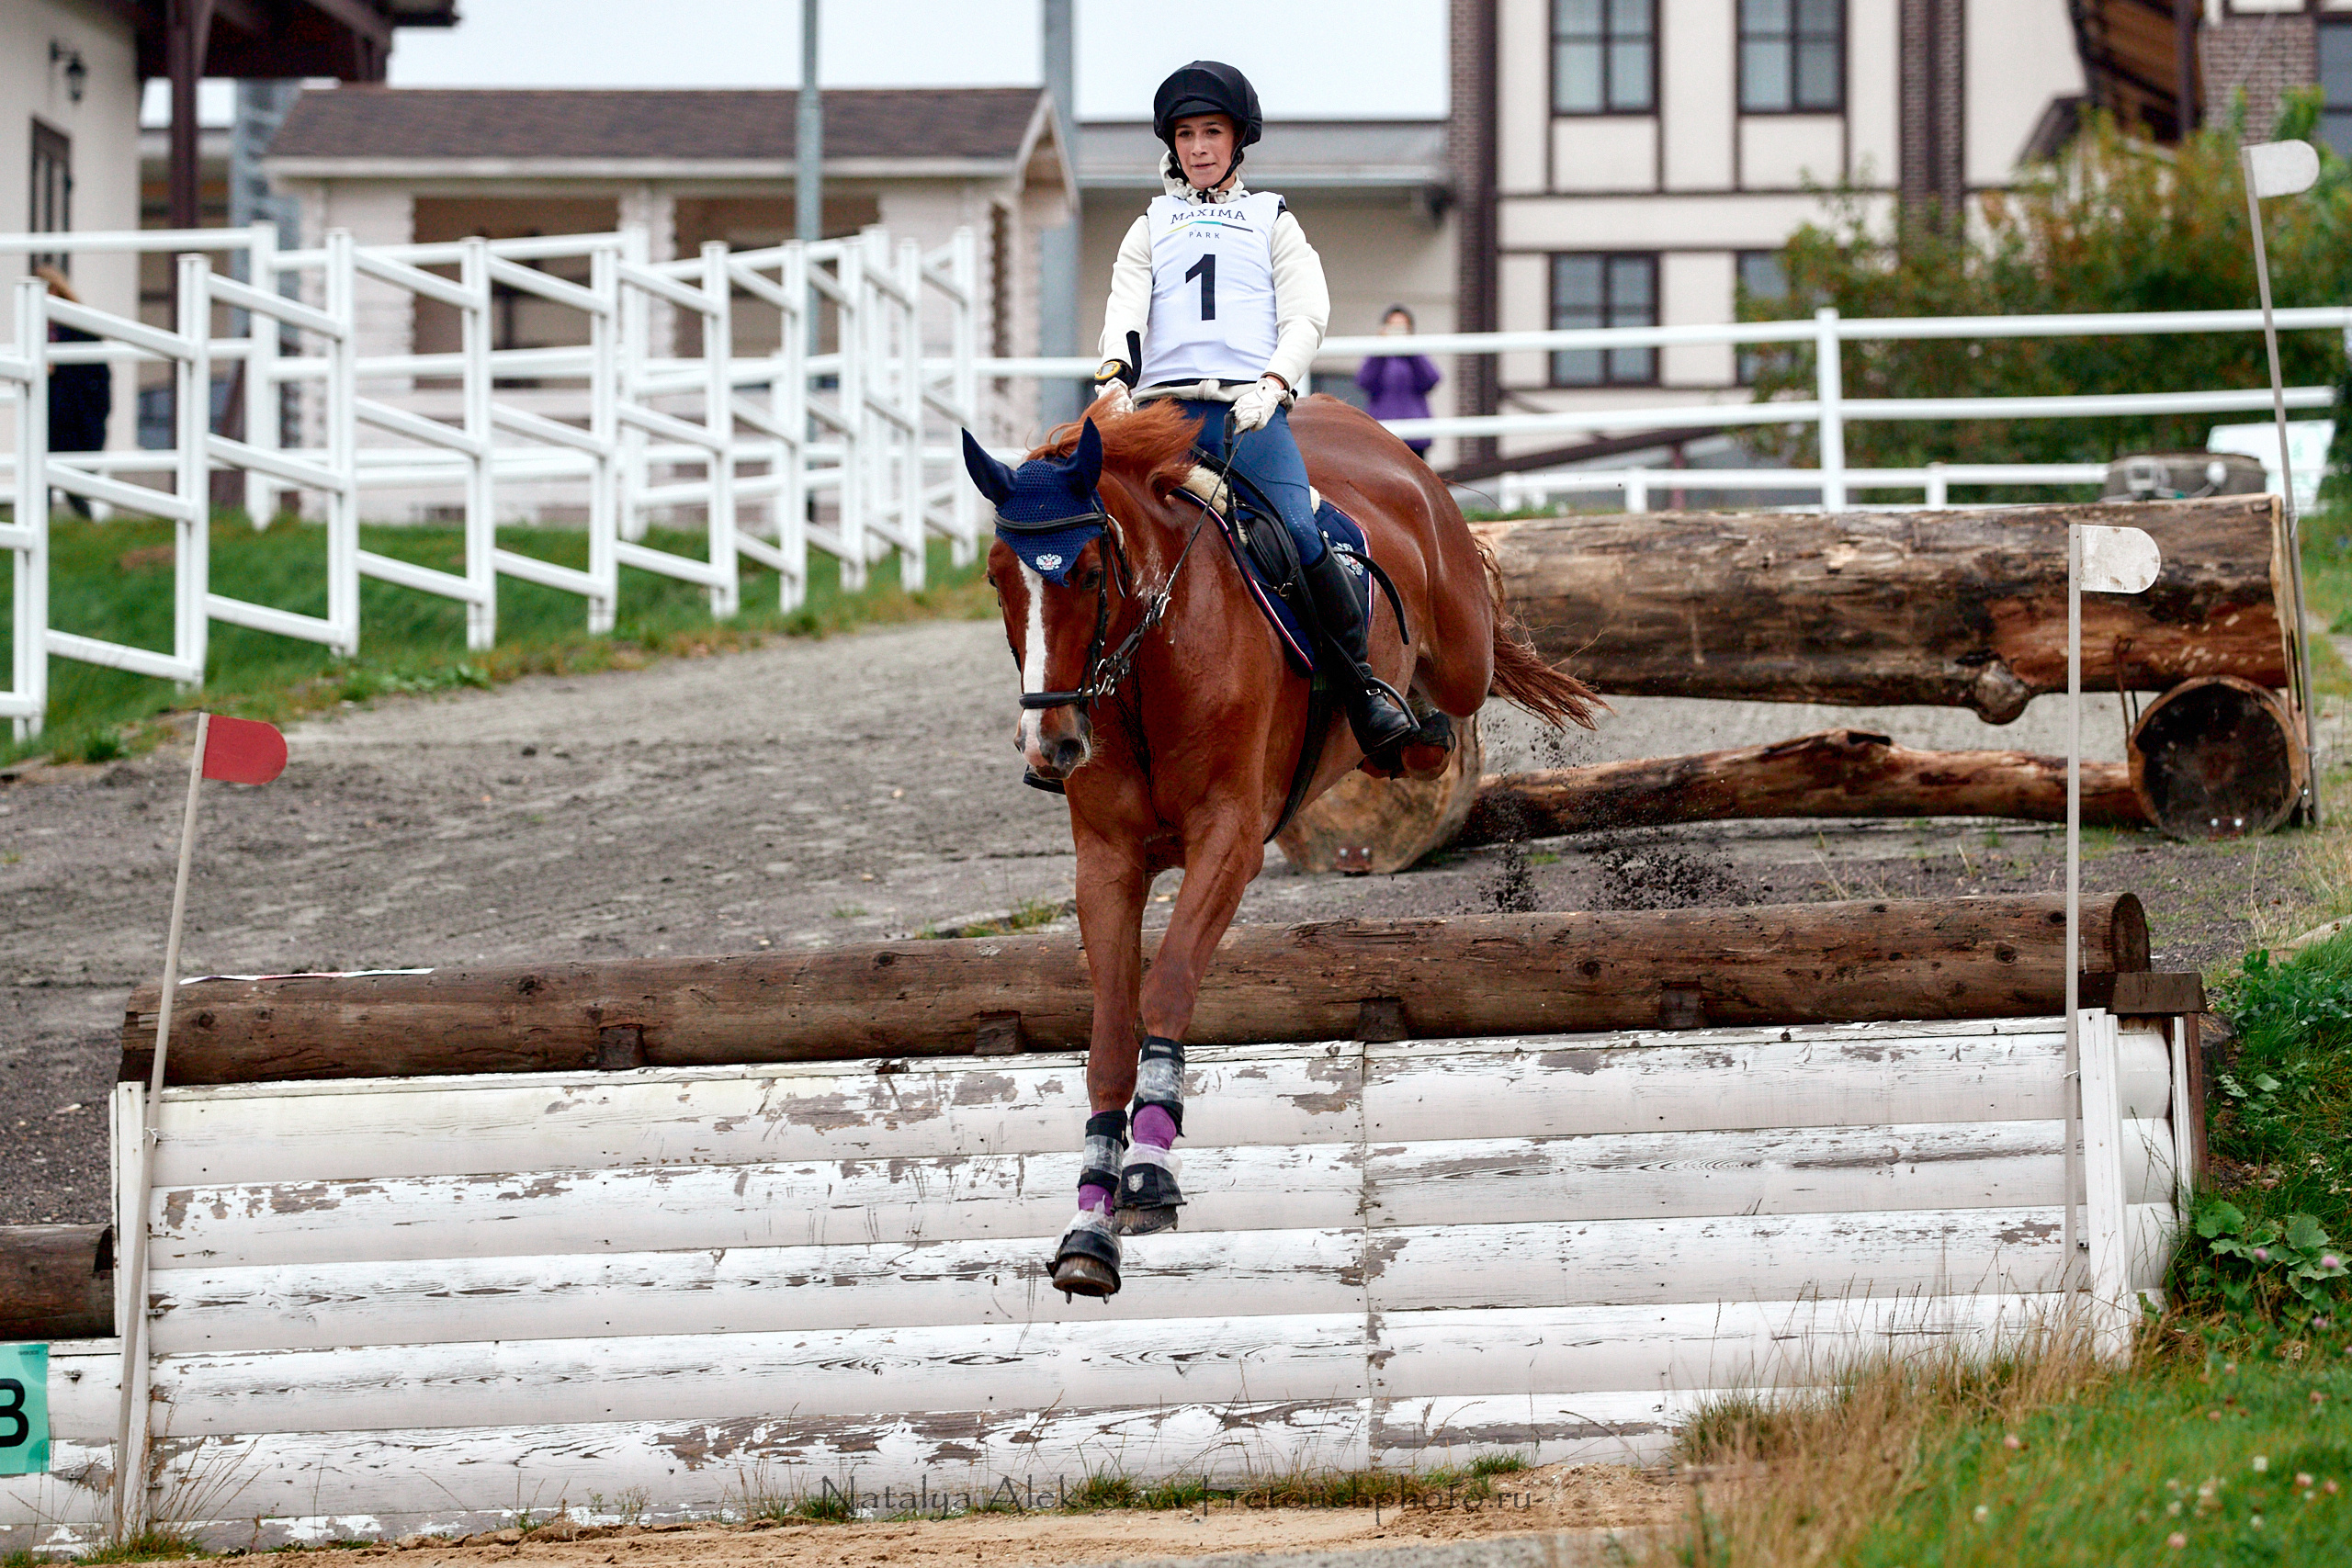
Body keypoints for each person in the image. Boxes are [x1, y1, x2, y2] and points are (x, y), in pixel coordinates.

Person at [1091, 61, 1414, 760]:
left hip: (1248, 410)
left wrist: (1272, 383)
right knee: (1098, 530)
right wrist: (1115, 376)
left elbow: (1307, 314)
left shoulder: (1273, 220)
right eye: (1186, 134)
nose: (1199, 147)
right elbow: (1125, 308)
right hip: (1165, 414)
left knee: (1297, 529)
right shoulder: (1151, 225)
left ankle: (1362, 690)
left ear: (1237, 140)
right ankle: (1079, 708)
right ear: (1171, 144)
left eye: (1212, 132)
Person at [37, 266, 109, 519]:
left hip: (73, 417)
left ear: (54, 290)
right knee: (47, 477)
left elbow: (96, 380)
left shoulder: (79, 329)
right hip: (51, 414)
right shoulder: (41, 328)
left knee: (68, 481)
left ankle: (52, 527)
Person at [1355, 305, 1441, 458]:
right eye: (1393, 327)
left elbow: (1431, 380)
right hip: (1382, 435)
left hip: (1415, 438)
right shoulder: (1378, 357)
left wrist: (1411, 350)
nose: (1397, 331)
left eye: (1402, 327)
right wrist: (1380, 350)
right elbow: (1364, 382)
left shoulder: (1416, 356)